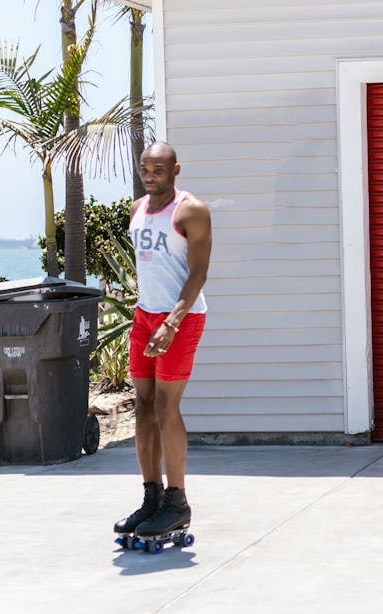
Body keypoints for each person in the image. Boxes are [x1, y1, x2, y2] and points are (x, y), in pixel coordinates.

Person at [114, 142, 212, 539]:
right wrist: (150, 317)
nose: (149, 174)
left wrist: (172, 321)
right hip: (144, 314)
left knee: (167, 407)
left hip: (182, 316)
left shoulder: (191, 210)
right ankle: (151, 497)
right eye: (144, 168)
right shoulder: (137, 210)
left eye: (158, 168)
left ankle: (177, 501)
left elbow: (199, 273)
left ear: (176, 170)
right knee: (143, 405)